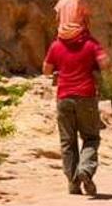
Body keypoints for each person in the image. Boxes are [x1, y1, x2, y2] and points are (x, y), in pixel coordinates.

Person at [43, 24, 106, 197]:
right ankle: (85, 169)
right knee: (91, 138)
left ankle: (73, 183)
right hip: (86, 97)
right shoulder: (91, 43)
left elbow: (46, 71)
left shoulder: (56, 46)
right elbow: (105, 63)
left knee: (67, 141)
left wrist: (60, 68)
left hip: (64, 98)